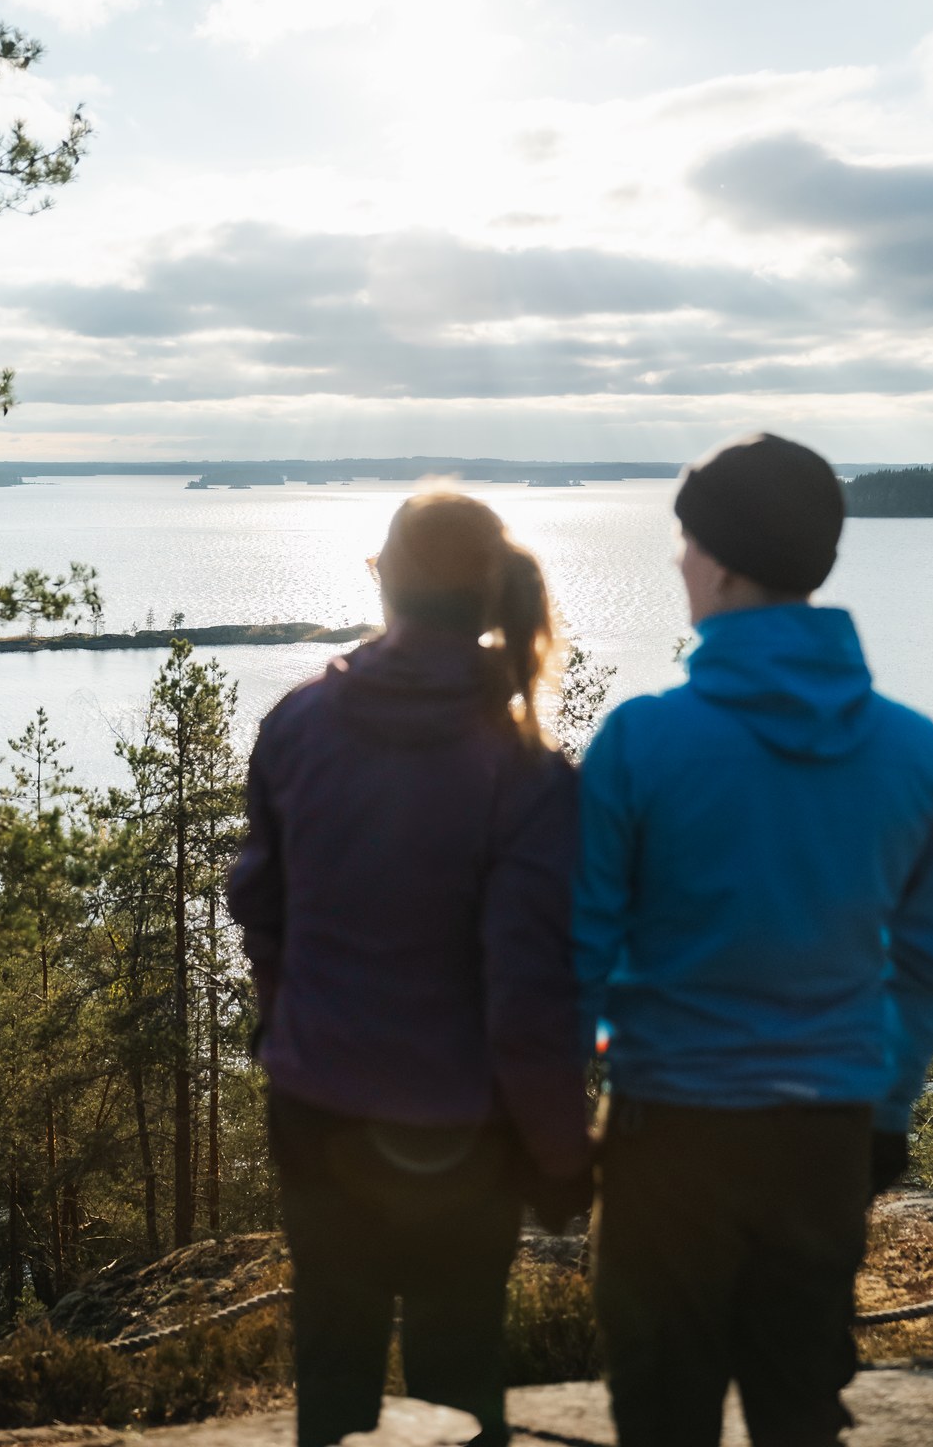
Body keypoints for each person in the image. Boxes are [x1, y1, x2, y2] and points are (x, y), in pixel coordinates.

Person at [573, 433, 933, 1447]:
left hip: (666, 1142)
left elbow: (577, 954)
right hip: (827, 1136)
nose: (680, 564)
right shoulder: (916, 753)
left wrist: (553, 1118)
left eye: (686, 544)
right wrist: (886, 1105)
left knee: (661, 1418)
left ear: (724, 564)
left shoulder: (642, 742)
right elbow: (919, 965)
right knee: (797, 1412)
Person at [228, 490, 593, 1447]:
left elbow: (260, 910)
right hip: (463, 1135)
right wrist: (560, 1153)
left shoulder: (297, 725)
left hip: (316, 1106)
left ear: (383, 581)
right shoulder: (527, 772)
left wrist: (287, 1027)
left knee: (333, 1364)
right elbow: (530, 993)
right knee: (459, 1372)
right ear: (492, 599)